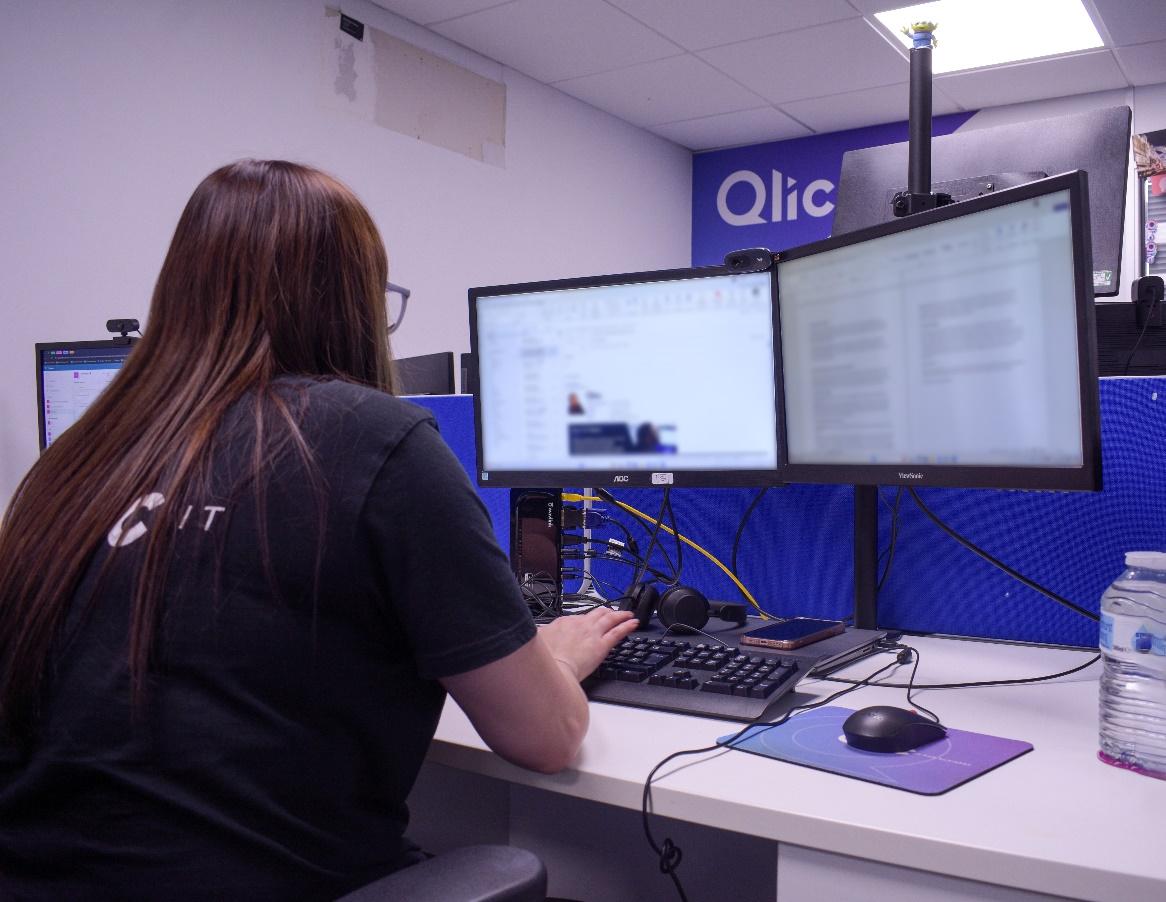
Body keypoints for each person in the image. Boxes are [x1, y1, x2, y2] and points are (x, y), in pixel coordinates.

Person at [0, 160, 638, 900]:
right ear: (352, 300)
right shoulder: (375, 441)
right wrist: (554, 659)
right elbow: (546, 739)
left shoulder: (74, 462)